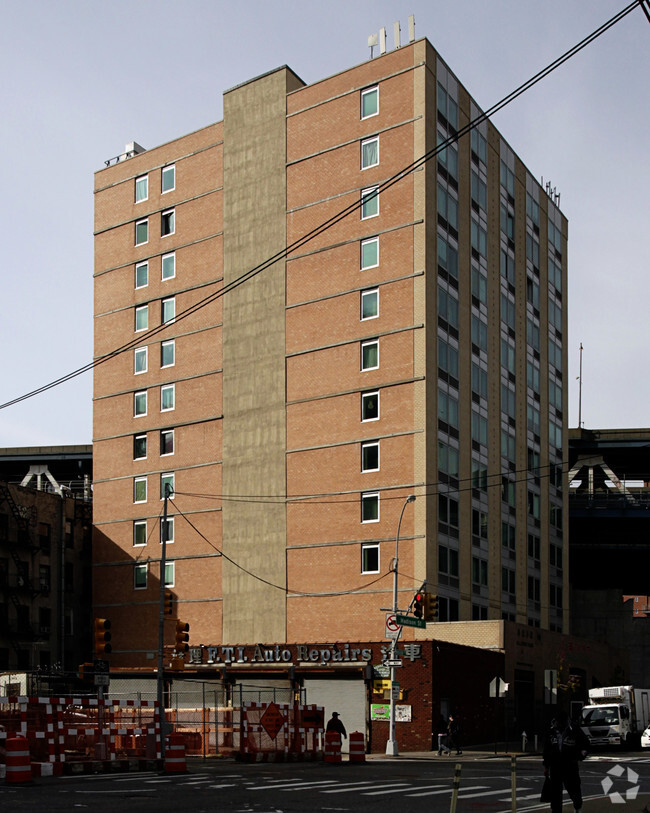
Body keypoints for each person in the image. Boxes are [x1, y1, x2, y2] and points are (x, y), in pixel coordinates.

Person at [542, 708, 589, 813]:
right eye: (558, 722)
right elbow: (547, 749)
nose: (560, 724)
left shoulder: (574, 729)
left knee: (574, 790)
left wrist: (580, 755)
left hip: (570, 765)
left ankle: (577, 806)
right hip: (556, 766)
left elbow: (585, 744)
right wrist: (546, 766)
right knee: (556, 794)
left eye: (562, 722)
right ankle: (556, 810)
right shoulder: (552, 731)